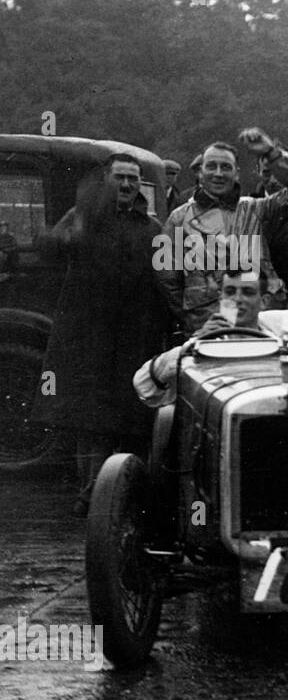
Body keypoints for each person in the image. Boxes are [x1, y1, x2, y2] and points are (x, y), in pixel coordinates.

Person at [33, 154, 169, 516]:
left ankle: (124, 496)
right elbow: (48, 249)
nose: (126, 184)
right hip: (88, 337)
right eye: (119, 177)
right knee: (91, 422)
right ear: (106, 180)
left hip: (134, 336)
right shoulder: (83, 217)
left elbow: (165, 280)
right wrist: (65, 234)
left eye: (133, 179)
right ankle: (91, 495)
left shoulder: (153, 228)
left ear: (140, 185)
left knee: (133, 418)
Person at [133, 268, 288, 409]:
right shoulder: (204, 345)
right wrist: (193, 345)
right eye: (230, 292)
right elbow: (144, 387)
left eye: (247, 292)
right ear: (220, 298)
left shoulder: (281, 323)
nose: (237, 300)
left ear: (263, 301)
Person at [157, 131, 288, 333]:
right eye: (211, 166)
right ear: (200, 173)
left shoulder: (256, 208)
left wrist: (271, 153)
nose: (218, 174)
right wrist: (191, 317)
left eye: (226, 167)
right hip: (207, 325)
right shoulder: (178, 218)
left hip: (259, 323)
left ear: (236, 173)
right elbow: (166, 278)